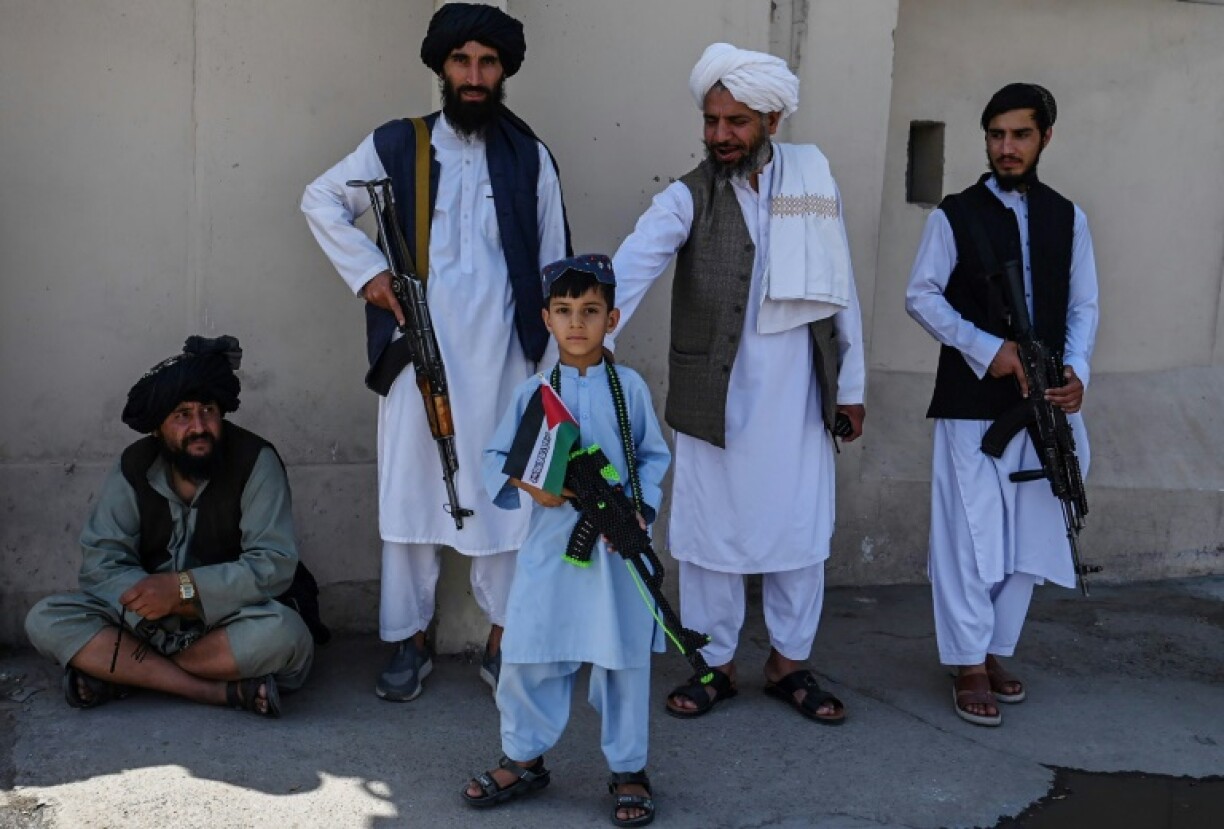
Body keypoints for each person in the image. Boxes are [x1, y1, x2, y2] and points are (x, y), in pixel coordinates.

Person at [301, 2, 569, 701]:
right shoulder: (397, 146)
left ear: (503, 70)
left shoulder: (531, 156)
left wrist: (553, 370)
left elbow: (554, 263)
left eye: (487, 63)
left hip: (510, 363)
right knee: (412, 496)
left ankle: (504, 641)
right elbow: (320, 199)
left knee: (509, 501)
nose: (475, 76)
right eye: (463, 62)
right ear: (443, 68)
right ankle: (407, 641)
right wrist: (371, 273)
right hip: (415, 361)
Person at [610, 43, 866, 724]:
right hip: (713, 399)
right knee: (709, 536)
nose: (720, 135)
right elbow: (636, 261)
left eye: (737, 122)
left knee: (799, 534)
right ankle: (712, 662)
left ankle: (789, 663)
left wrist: (852, 385)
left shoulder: (813, 180)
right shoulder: (686, 196)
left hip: (799, 397)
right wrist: (589, 329)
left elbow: (842, 290)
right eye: (712, 120)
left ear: (773, 121)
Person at [905, 83, 1098, 727]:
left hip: (1045, 403)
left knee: (1029, 537)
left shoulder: (1068, 217)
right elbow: (923, 296)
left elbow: (1082, 308)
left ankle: (993, 649)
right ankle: (965, 662)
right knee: (971, 534)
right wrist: (989, 348)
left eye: (1019, 134)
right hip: (972, 401)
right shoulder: (954, 214)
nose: (1006, 147)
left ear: (1046, 136)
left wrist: (1076, 373)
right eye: (996, 134)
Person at [462, 255, 670, 827]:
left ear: (613, 318)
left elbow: (653, 455)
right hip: (552, 547)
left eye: (591, 311)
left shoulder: (629, 388)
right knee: (528, 654)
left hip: (615, 554)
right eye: (565, 311)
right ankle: (523, 757)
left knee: (624, 662)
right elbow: (495, 459)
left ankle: (629, 768)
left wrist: (640, 509)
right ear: (547, 320)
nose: (577, 323)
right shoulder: (534, 391)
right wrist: (535, 485)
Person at [24, 336, 314, 718]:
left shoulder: (256, 461)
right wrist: (145, 600)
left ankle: (128, 673)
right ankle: (214, 692)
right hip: (146, 622)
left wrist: (183, 591)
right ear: (158, 428)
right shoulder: (135, 466)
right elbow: (101, 561)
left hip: (226, 620)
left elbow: (273, 564)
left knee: (285, 635)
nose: (199, 427)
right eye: (182, 415)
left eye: (208, 411)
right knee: (46, 619)